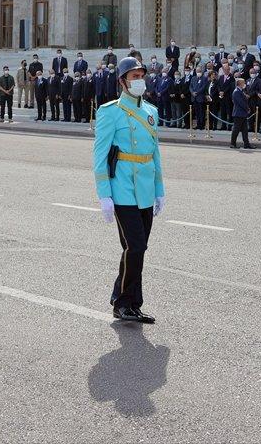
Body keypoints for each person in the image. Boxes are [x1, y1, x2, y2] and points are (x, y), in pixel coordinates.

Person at [93, 57, 164, 324]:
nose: (139, 80)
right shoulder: (109, 111)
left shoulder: (151, 111)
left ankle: (131, 302)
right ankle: (122, 302)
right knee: (135, 246)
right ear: (122, 81)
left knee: (139, 248)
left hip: (145, 189)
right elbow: (100, 156)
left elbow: (154, 154)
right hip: (122, 189)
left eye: (141, 75)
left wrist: (160, 190)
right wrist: (104, 195)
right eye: (133, 76)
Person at [229, 77, 254, 149]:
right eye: (243, 83)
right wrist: (247, 108)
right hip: (238, 113)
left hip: (242, 113)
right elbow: (241, 103)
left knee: (245, 130)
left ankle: (246, 144)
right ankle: (232, 143)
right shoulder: (236, 91)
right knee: (236, 129)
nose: (245, 84)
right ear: (240, 84)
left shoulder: (240, 91)